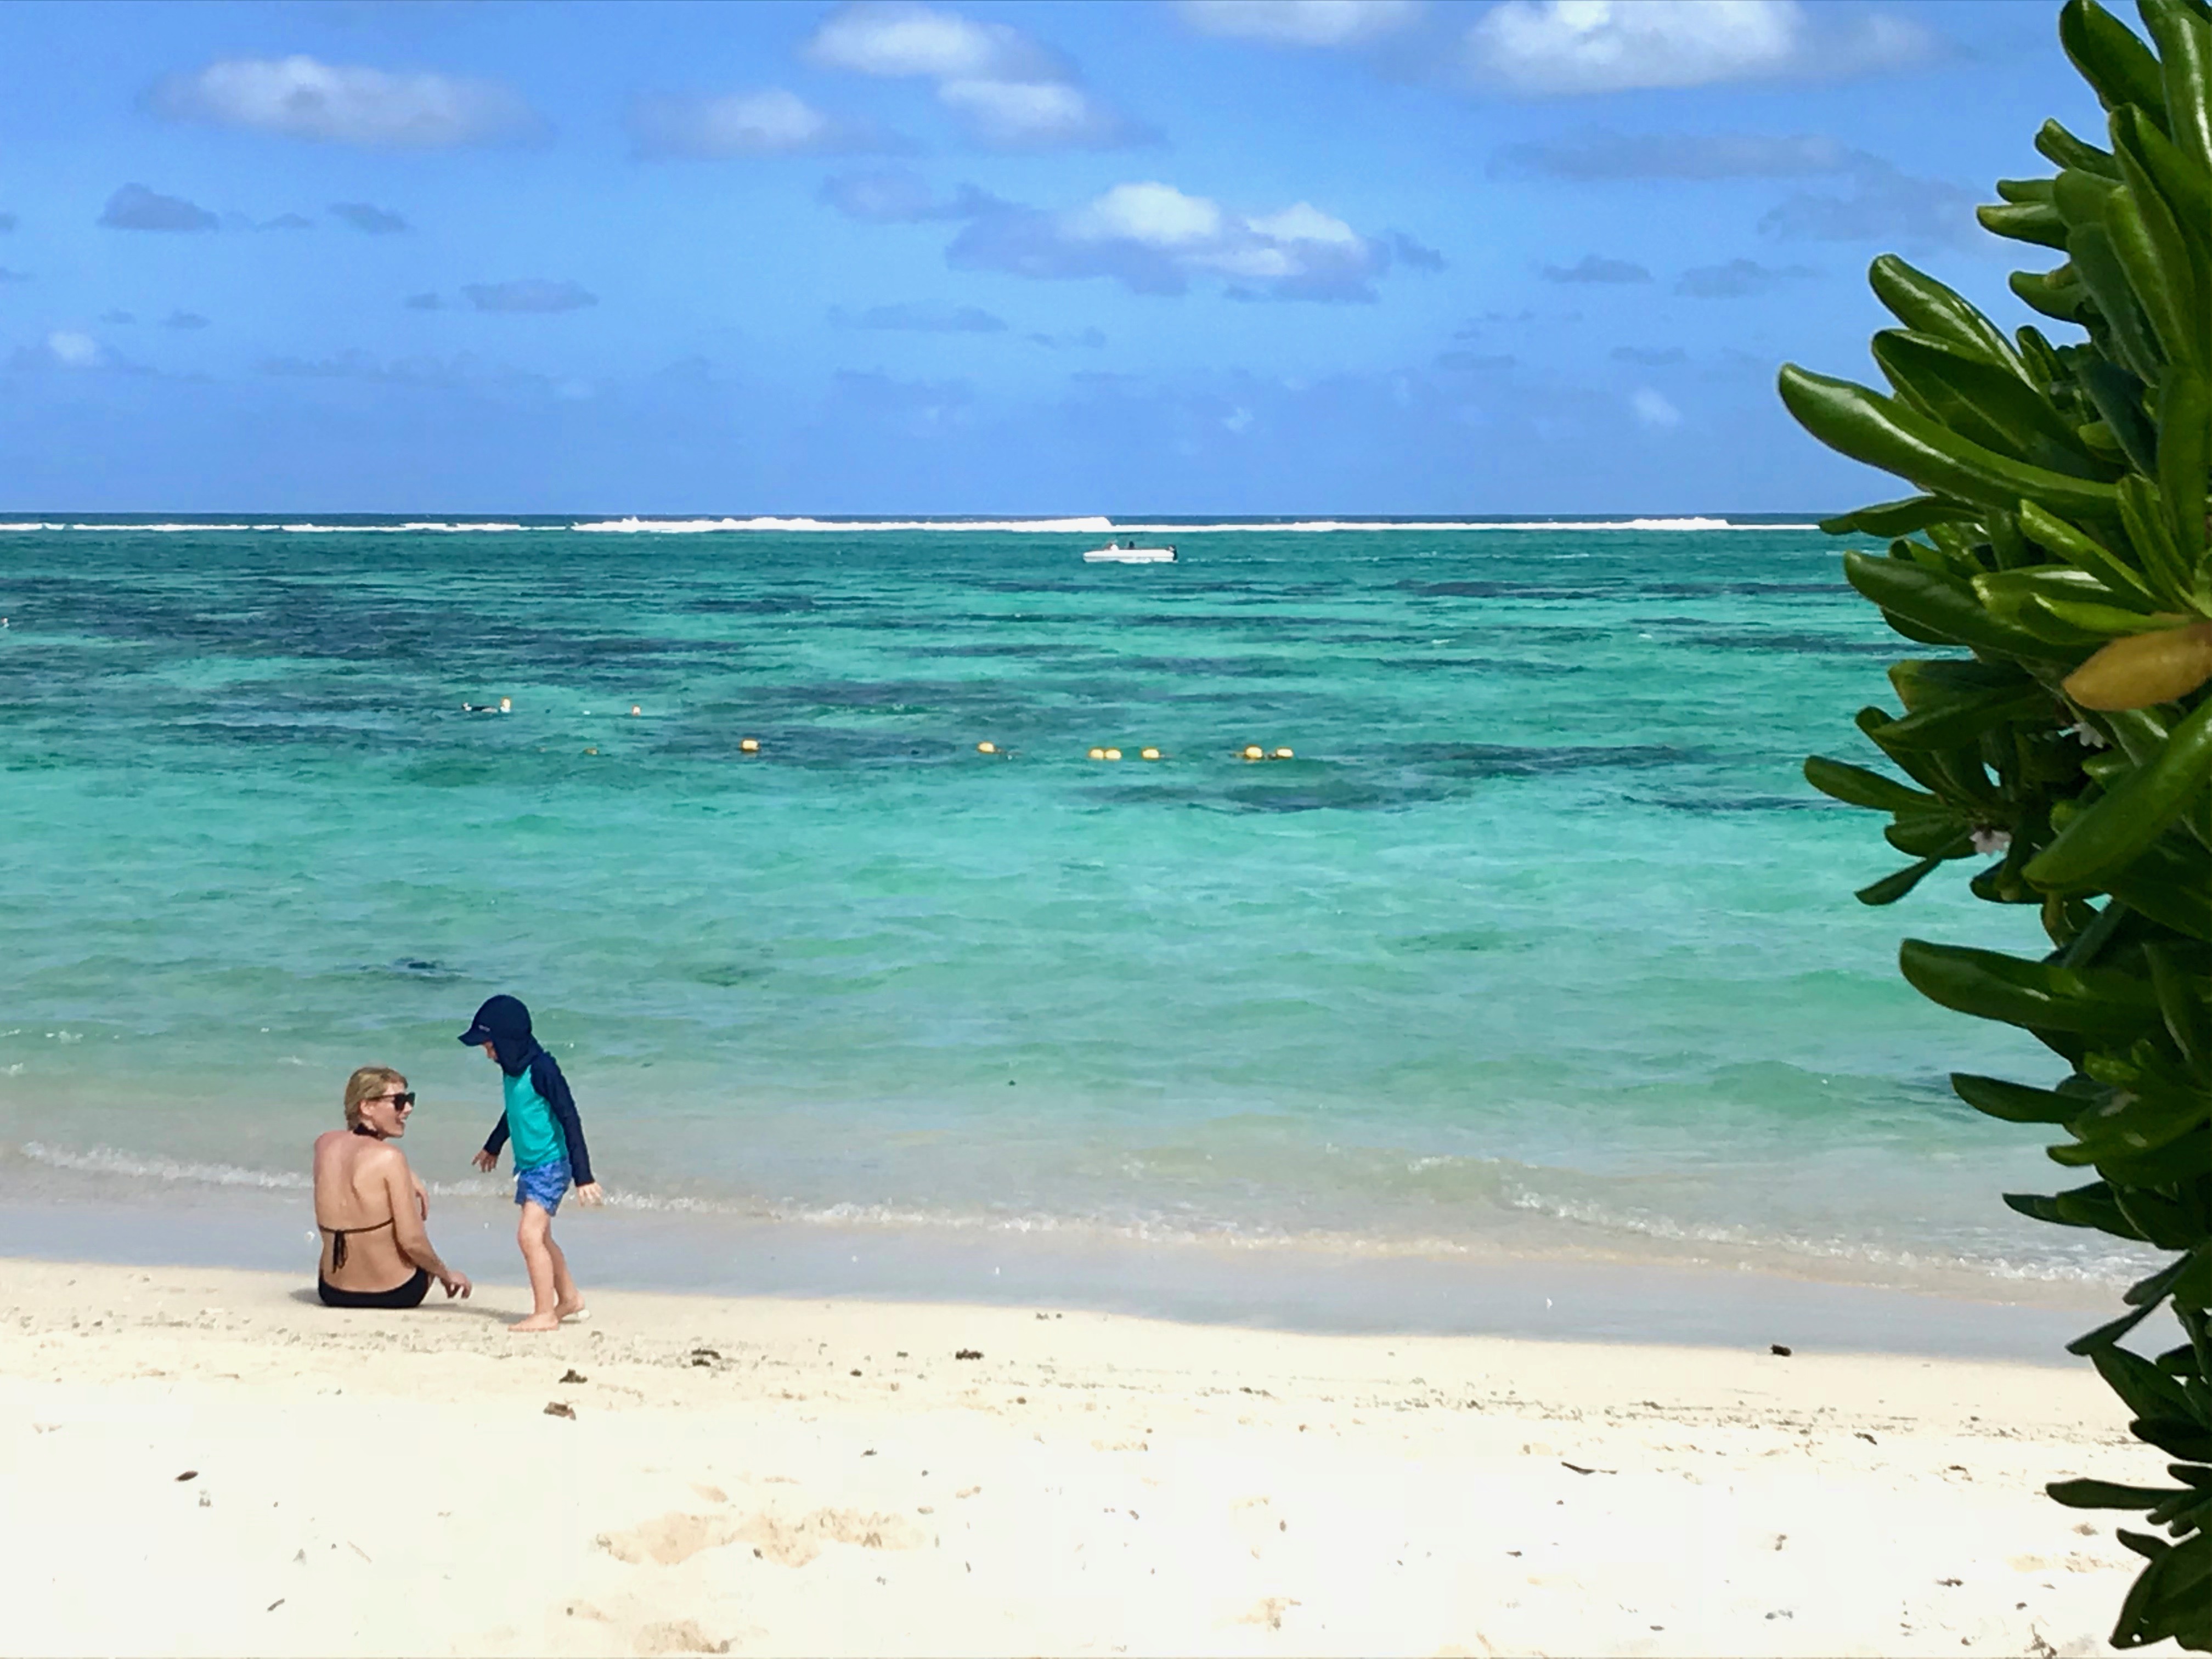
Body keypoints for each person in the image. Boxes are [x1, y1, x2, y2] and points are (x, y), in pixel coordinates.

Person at [462, 995, 603, 1331]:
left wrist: (584, 1176)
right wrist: (493, 1146)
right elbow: (516, 1111)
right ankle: (569, 1299)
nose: (488, 1053)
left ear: (509, 1042)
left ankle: (544, 1313)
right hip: (530, 1166)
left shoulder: (543, 1069)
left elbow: (570, 1117)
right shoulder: (512, 1070)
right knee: (541, 1238)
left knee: (528, 1236)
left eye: (490, 1045)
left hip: (552, 1164)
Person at [312, 1066, 472, 1308]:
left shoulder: (324, 1144)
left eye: (409, 1100)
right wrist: (446, 1275)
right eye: (398, 1101)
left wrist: (408, 1174)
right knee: (415, 1246)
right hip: (394, 1292)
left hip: (332, 1291)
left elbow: (355, 1150)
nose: (407, 1109)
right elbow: (412, 1242)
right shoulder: (390, 1158)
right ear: (366, 1107)